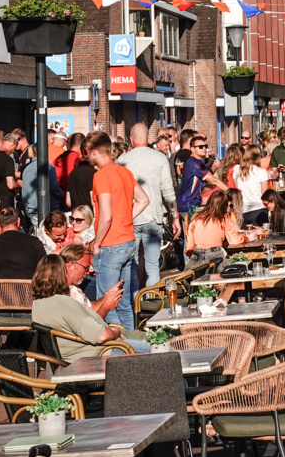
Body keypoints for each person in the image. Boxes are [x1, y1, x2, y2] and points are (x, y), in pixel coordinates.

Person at [31, 254, 142, 360]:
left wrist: (105, 300)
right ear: (61, 274)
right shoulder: (64, 302)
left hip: (76, 355)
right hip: (97, 355)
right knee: (155, 349)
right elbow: (101, 336)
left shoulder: (37, 304)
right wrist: (115, 332)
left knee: (148, 342)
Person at [89, 132, 147, 329]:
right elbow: (143, 200)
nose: (87, 156)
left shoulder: (101, 175)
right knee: (124, 303)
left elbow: (105, 215)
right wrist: (126, 217)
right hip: (127, 239)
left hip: (111, 243)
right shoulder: (124, 172)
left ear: (95, 151)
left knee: (108, 303)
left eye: (88, 152)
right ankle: (131, 346)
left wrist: (96, 243)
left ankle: (114, 350)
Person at [119, 123, 177, 288]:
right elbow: (168, 190)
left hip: (131, 218)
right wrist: (175, 217)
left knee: (133, 264)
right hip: (154, 217)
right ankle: (153, 301)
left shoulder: (122, 160)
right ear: (149, 139)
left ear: (131, 139)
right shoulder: (159, 158)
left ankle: (135, 304)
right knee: (152, 265)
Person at [0, 207, 47, 280]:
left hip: (0, 290)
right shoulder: (34, 242)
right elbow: (44, 268)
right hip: (27, 289)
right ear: (18, 221)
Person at [185, 191, 246, 266]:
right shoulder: (223, 218)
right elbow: (234, 241)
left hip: (197, 256)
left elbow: (189, 248)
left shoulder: (195, 217)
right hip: (215, 255)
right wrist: (246, 238)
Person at [177, 135, 227, 218]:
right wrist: (230, 190)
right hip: (189, 206)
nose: (204, 148)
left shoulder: (195, 162)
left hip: (189, 204)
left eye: (205, 146)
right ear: (192, 149)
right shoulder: (195, 163)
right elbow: (213, 180)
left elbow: (207, 176)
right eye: (200, 147)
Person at [21, 144, 63, 221]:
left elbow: (24, 193)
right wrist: (61, 195)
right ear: (46, 152)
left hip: (32, 210)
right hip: (50, 208)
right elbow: (54, 187)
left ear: (33, 153)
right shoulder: (49, 166)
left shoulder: (27, 168)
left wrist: (27, 208)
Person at [233, 145, 269, 224]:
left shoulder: (237, 169)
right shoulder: (262, 172)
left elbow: (237, 189)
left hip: (242, 210)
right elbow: (265, 194)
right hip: (258, 209)